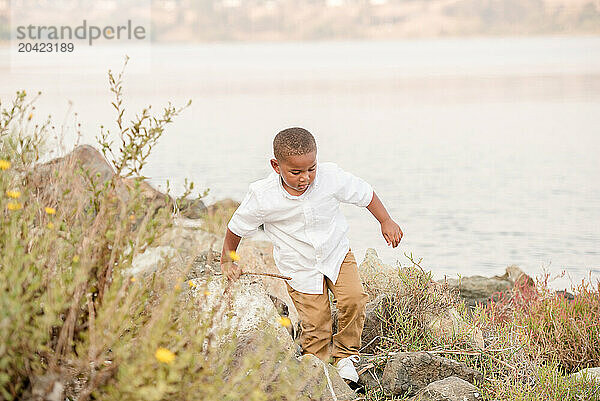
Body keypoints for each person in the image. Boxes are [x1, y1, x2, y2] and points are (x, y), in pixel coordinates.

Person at [220, 127, 403, 383]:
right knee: (316, 325)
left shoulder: (330, 177)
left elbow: (365, 194)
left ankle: (347, 355)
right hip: (299, 268)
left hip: (337, 254)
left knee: (353, 300)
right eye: (296, 172)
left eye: (311, 168)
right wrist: (228, 259)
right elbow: (236, 227)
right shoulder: (263, 196)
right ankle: (319, 369)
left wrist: (386, 221)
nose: (305, 177)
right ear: (276, 166)